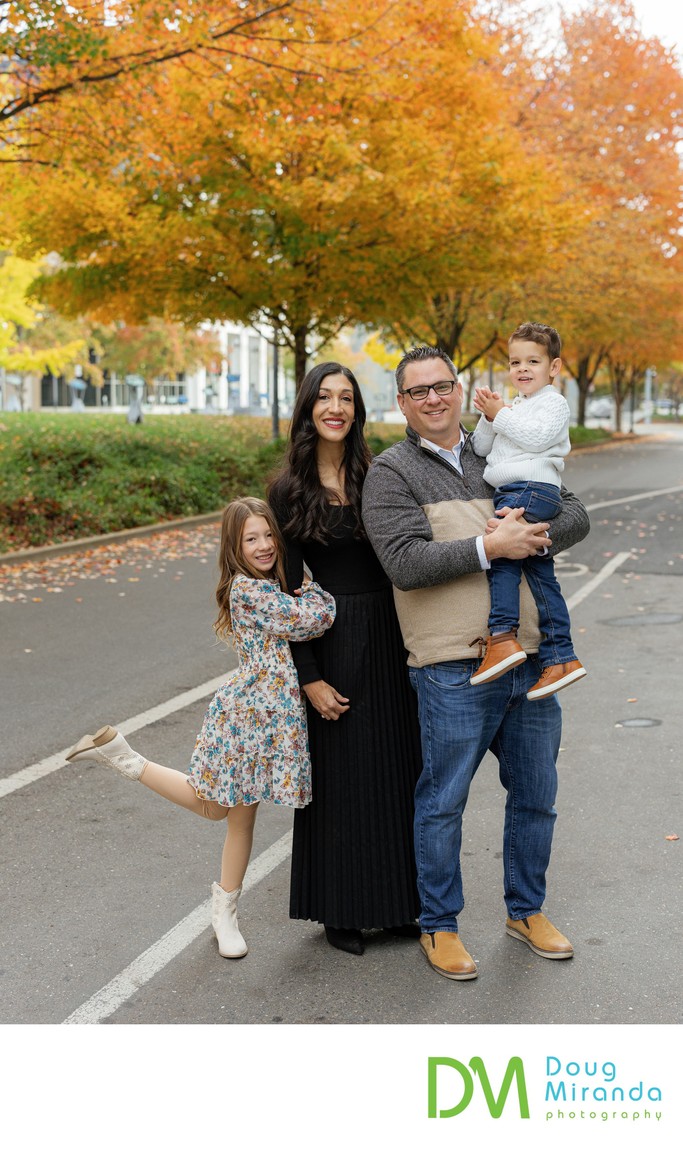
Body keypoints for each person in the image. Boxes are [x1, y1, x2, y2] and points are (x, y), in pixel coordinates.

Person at [361, 345, 590, 981]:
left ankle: (526, 911)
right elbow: (404, 563)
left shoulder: (499, 447)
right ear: (401, 403)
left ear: (459, 389)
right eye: (419, 391)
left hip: (531, 659)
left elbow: (575, 513)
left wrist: (530, 534)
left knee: (537, 796)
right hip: (450, 666)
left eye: (443, 386)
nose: (434, 399)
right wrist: (493, 545)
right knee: (444, 802)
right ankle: (439, 925)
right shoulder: (391, 472)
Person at [65, 497, 335, 959]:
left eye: (268, 535)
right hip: (247, 719)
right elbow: (314, 619)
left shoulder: (268, 584)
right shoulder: (249, 591)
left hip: (270, 720)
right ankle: (124, 758)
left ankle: (225, 912)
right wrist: (313, 590)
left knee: (238, 819)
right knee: (215, 810)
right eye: (250, 539)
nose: (264, 545)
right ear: (234, 547)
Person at [268, 362, 423, 956]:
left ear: (357, 410)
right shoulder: (287, 490)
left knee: (399, 768)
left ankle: (398, 903)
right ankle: (341, 909)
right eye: (325, 397)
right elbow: (286, 593)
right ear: (309, 407)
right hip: (332, 637)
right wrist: (308, 677)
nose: (336, 407)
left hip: (394, 630)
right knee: (342, 777)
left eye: (347, 398)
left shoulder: (377, 473)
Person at [469, 321, 587, 698]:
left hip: (530, 488)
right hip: (518, 489)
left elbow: (536, 439)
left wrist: (501, 413)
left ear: (553, 367)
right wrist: (490, 415)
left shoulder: (553, 403)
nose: (522, 369)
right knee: (538, 572)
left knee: (503, 558)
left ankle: (502, 637)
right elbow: (481, 448)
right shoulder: (515, 406)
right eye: (515, 362)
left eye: (533, 361)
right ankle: (561, 657)